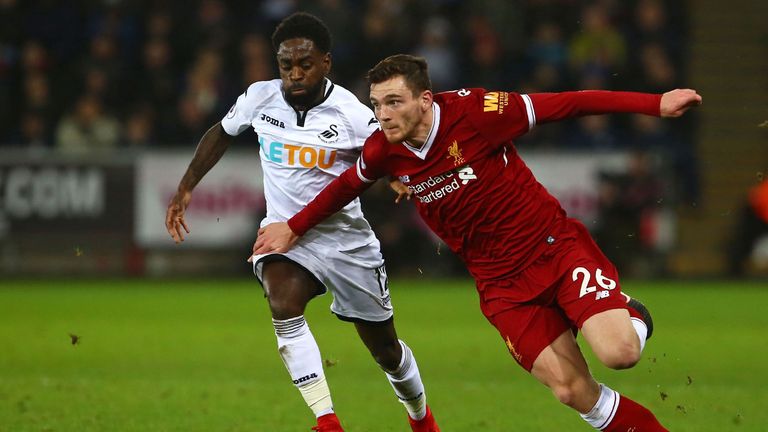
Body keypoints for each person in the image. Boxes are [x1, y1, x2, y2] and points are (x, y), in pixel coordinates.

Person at [254, 54, 702, 431]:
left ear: (425, 100)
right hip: (500, 284)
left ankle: (633, 315)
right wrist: (292, 227)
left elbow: (569, 103)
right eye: (376, 104)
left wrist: (654, 103)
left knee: (619, 354)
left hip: (553, 249)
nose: (383, 114)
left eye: (394, 102)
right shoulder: (382, 149)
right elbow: (346, 186)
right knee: (571, 390)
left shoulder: (479, 112)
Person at [165, 18, 440, 432]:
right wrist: (186, 186)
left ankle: (422, 420)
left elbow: (385, 152)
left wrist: (398, 177)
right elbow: (221, 132)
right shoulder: (260, 98)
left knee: (385, 351)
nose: (294, 74)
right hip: (285, 235)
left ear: (325, 62)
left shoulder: (351, 112)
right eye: (286, 65)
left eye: (305, 64)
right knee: (282, 302)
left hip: (346, 242)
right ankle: (327, 421)